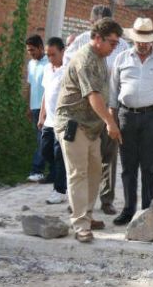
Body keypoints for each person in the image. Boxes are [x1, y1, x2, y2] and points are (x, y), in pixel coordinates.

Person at [54, 18, 124, 243]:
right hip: (73, 124)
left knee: (95, 171)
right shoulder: (84, 59)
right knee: (78, 174)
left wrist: (104, 121)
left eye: (116, 43)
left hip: (91, 126)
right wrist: (110, 123)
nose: (115, 47)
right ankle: (80, 224)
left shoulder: (101, 57)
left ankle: (88, 214)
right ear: (97, 38)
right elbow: (93, 95)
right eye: (112, 42)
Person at [109, 18, 153, 226]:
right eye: (139, 39)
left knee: (149, 165)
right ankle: (128, 209)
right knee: (128, 166)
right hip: (126, 116)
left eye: (146, 39)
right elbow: (113, 93)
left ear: (151, 39)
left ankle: (148, 210)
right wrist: (111, 122)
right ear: (134, 38)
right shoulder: (121, 59)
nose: (142, 43)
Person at [64, 4, 130, 216]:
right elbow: (70, 68)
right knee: (80, 162)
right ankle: (78, 204)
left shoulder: (122, 45)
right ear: (92, 25)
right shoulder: (81, 43)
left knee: (108, 157)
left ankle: (106, 199)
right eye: (97, 23)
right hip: (83, 113)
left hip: (110, 106)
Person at [37, 37, 68, 204]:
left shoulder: (68, 70)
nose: (50, 58)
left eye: (53, 55)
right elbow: (46, 93)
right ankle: (62, 177)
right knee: (45, 151)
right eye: (48, 55)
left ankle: (60, 190)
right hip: (48, 120)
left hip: (63, 121)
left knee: (59, 155)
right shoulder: (48, 69)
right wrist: (42, 115)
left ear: (62, 51)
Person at [25, 34, 50, 183]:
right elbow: (30, 85)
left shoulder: (49, 63)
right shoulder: (31, 64)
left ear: (41, 47)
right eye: (28, 51)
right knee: (41, 139)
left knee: (42, 139)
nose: (31, 53)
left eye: (33, 50)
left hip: (46, 108)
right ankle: (50, 168)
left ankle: (37, 170)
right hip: (34, 108)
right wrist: (28, 106)